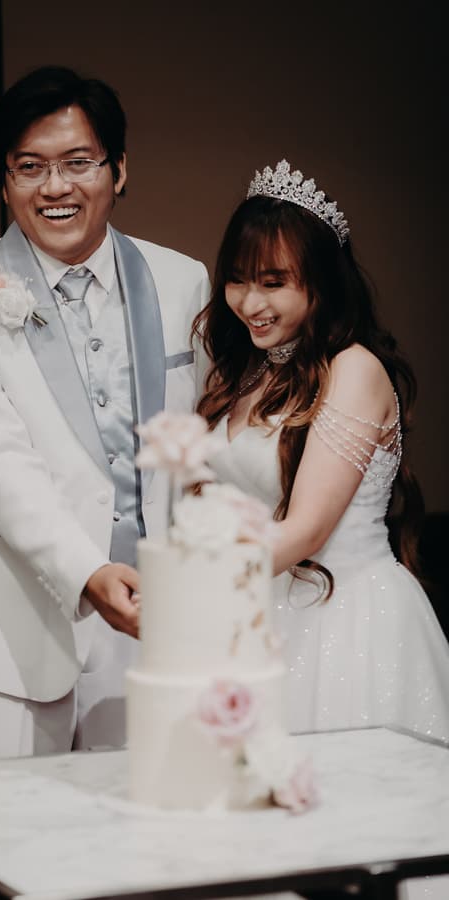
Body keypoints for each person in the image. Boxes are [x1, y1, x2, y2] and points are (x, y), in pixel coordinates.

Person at [0, 65, 210, 764]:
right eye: (30, 167)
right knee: (4, 853)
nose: (55, 188)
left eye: (79, 163)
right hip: (16, 634)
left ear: (119, 168)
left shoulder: (183, 281)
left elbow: (205, 446)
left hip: (158, 627)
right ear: (3, 179)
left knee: (149, 848)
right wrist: (88, 573)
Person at [193, 159, 449, 742]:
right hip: (262, 611)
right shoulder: (248, 372)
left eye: (273, 282)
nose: (249, 301)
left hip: (345, 620)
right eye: (237, 279)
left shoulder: (355, 370)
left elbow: (306, 529)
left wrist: (190, 591)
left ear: (322, 282)